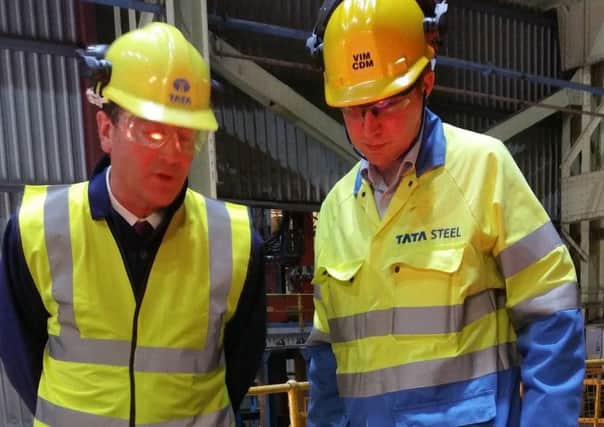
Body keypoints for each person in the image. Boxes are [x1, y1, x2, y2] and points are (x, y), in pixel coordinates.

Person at [304, 1, 585, 426]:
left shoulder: (483, 170)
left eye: (386, 105)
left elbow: (553, 316)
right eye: (353, 109)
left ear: (426, 83)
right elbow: (328, 360)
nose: (369, 127)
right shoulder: (336, 210)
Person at [0, 22, 266, 426]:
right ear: (107, 130)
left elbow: (240, 363)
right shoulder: (36, 229)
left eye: (187, 136)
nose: (174, 155)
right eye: (154, 132)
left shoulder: (236, 242)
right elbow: (23, 356)